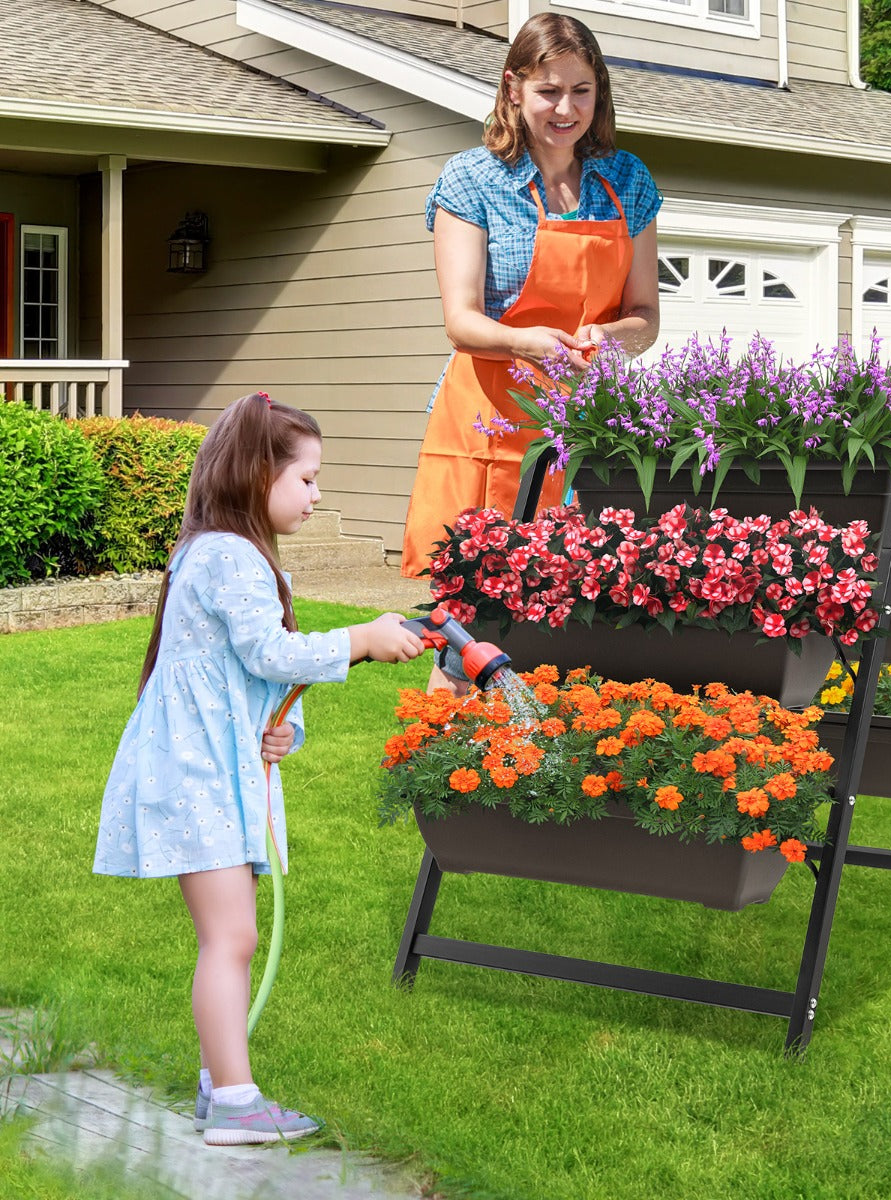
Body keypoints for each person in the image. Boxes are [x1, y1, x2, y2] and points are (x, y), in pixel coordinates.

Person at [93, 391, 427, 1147]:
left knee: (232, 936)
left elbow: (258, 677)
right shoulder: (226, 554)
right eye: (306, 479)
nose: (317, 495)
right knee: (230, 938)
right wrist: (362, 638)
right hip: (196, 771)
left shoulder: (227, 554)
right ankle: (236, 1102)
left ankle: (226, 1087)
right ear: (256, 474)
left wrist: (284, 732)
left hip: (211, 765)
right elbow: (272, 654)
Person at [400, 11, 662, 600]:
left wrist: (608, 338)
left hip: (592, 421)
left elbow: (646, 313)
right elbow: (460, 320)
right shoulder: (473, 179)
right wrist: (531, 342)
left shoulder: (628, 179)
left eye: (581, 91)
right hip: (489, 416)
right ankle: (449, 699)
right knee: (471, 616)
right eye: (548, 91)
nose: (565, 109)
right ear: (513, 89)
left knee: (582, 602)